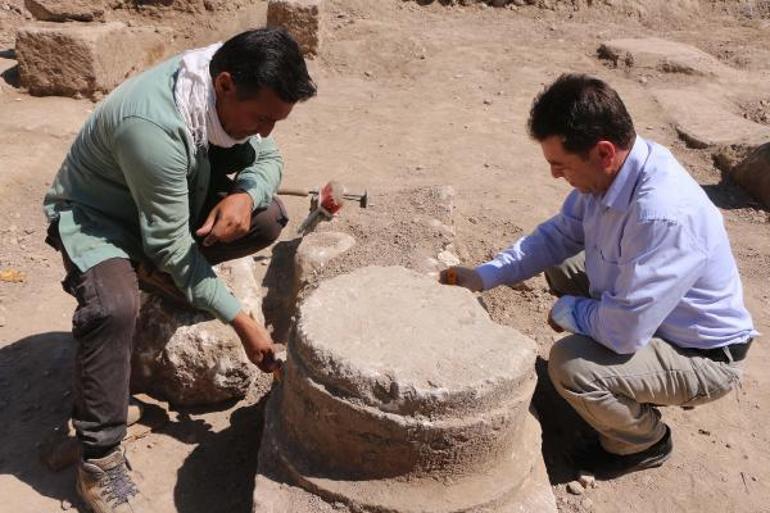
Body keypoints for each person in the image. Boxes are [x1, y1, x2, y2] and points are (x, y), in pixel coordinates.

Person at [43, 28, 316, 512]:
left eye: (276, 119)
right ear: (227, 85)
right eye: (261, 118)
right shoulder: (154, 126)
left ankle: (158, 276)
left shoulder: (212, 85)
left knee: (267, 214)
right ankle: (98, 460)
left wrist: (244, 193)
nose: (267, 130)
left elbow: (268, 157)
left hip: (169, 200)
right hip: (101, 219)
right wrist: (242, 321)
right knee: (113, 309)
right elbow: (169, 244)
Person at [441, 73, 756, 478]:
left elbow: (624, 332)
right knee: (562, 263)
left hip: (703, 355)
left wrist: (570, 311)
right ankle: (629, 380)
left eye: (561, 165)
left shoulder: (662, 214)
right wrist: (484, 275)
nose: (556, 176)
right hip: (653, 315)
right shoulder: (615, 175)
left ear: (604, 152)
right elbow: (557, 236)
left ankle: (642, 442)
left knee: (571, 365)